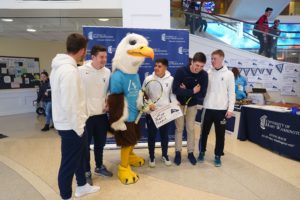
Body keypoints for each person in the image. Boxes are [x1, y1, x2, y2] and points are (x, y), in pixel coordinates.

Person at [50, 33, 100, 200]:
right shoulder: (69, 71)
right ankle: (66, 196)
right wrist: (79, 128)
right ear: (82, 51)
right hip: (72, 125)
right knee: (68, 164)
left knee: (79, 157)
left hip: (72, 123)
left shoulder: (59, 68)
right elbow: (70, 104)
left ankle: (82, 185)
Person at [78, 45, 113, 185]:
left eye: (105, 57)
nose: (104, 59)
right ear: (92, 57)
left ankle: (99, 166)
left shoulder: (107, 72)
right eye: (101, 57)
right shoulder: (80, 71)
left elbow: (108, 91)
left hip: (101, 116)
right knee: (85, 146)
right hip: (86, 116)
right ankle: (86, 171)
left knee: (100, 144)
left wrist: (109, 101)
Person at [198, 49, 235, 167]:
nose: (212, 61)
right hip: (207, 108)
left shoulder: (229, 74)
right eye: (212, 58)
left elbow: (232, 93)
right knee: (204, 133)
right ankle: (201, 152)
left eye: (215, 59)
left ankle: (218, 156)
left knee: (220, 135)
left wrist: (230, 109)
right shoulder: (208, 72)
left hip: (221, 110)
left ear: (221, 59)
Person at [172, 52, 208, 166]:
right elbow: (175, 90)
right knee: (179, 129)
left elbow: (202, 94)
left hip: (192, 105)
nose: (199, 68)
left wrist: (185, 91)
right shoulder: (181, 71)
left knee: (190, 129)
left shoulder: (204, 75)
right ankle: (178, 152)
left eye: (202, 66)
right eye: (197, 65)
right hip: (178, 105)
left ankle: (190, 152)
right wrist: (192, 91)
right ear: (192, 62)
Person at [141, 58, 177, 168]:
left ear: (165, 67)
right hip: (152, 113)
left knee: (164, 136)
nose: (156, 68)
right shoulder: (148, 79)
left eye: (159, 66)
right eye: (155, 65)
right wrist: (149, 103)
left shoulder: (171, 79)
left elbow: (172, 95)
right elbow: (143, 94)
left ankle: (165, 155)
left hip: (165, 113)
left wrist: (175, 103)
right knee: (151, 136)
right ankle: (151, 156)